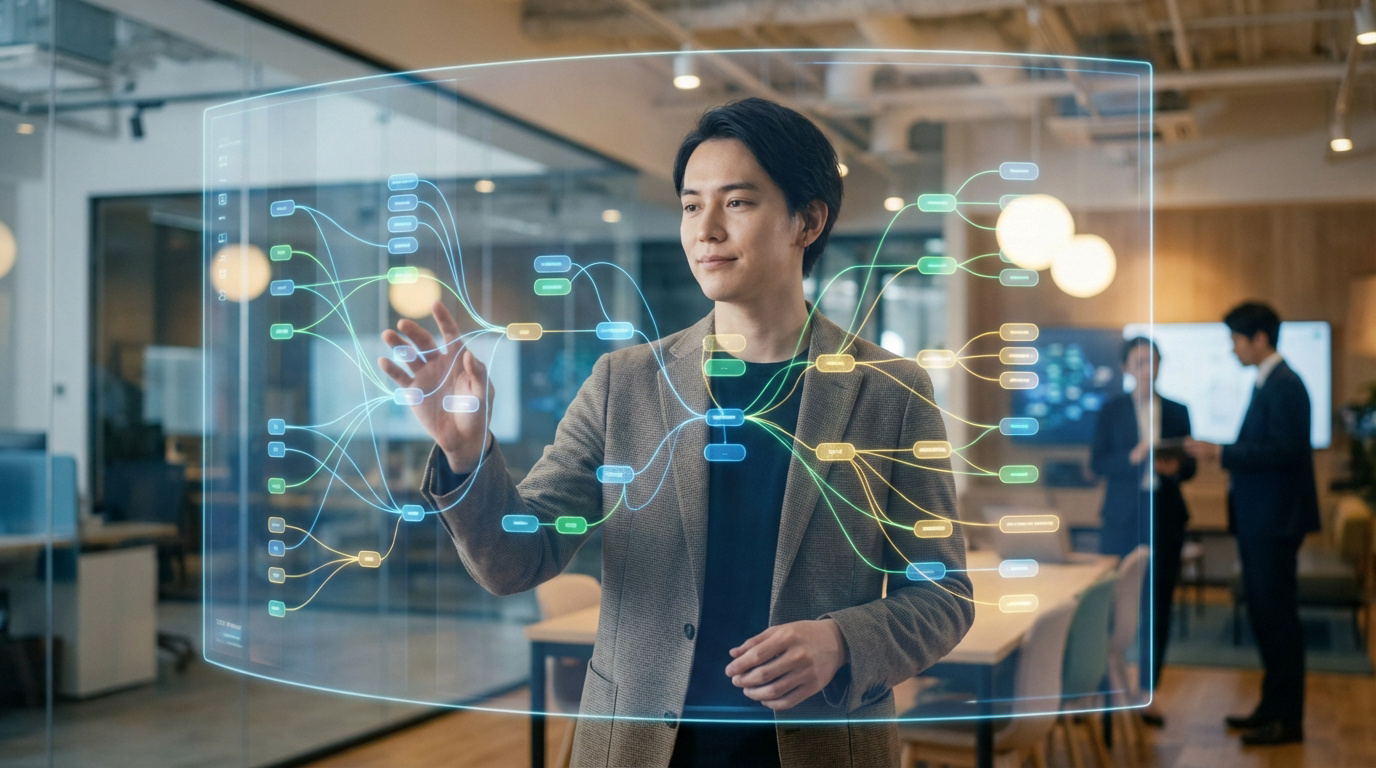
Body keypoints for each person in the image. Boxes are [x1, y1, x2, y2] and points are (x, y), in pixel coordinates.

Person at [379, 98, 974, 766]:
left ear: (807, 220)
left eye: (738, 202)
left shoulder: (888, 390)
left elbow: (943, 594)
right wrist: (464, 455)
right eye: (692, 206)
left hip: (819, 746)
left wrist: (842, 641)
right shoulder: (622, 383)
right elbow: (520, 559)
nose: (706, 230)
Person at [1186, 301, 1319, 747]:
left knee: (1278, 621)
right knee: (1268, 619)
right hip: (1265, 520)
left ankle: (1287, 721)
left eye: (1237, 341)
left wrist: (1218, 452)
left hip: (1274, 523)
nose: (1233, 350)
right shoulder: (1272, 382)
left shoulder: (1284, 385)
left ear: (1259, 339)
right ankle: (1272, 708)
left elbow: (1284, 454)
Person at [1089, 337, 1195, 727]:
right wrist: (1131, 458)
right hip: (1120, 519)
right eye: (1138, 363)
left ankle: (1145, 692)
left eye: (1152, 362)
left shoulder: (1179, 410)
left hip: (1165, 516)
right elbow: (1097, 463)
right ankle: (1099, 687)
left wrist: (1176, 469)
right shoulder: (1111, 410)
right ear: (1125, 368)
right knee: (1107, 604)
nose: (1146, 369)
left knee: (1158, 607)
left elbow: (1190, 468)